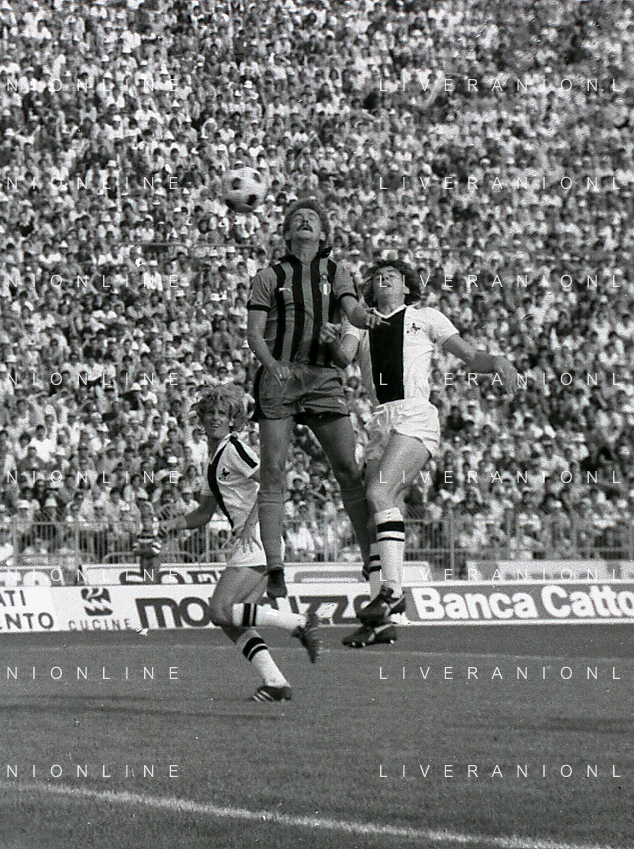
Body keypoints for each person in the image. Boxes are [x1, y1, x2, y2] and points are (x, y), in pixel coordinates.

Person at [327, 259, 518, 647]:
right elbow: (343, 357)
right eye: (379, 276)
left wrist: (497, 361)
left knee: (379, 493)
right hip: (379, 420)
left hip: (414, 413)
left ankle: (393, 592)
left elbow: (470, 356)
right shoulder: (359, 322)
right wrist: (328, 337)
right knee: (373, 521)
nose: (384, 278)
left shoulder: (425, 317)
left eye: (393, 275)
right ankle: (380, 623)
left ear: (406, 287)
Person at [246, 198, 384, 599]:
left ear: (323, 234)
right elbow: (254, 333)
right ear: (287, 233)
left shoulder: (337, 272)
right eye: (297, 218)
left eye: (312, 218)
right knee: (273, 470)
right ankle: (275, 567)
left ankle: (370, 557)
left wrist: (364, 318)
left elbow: (352, 310)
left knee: (347, 469)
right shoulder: (269, 276)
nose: (305, 220)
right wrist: (272, 364)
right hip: (281, 375)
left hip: (324, 377)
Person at [159, 385, 321, 702]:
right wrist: (173, 524)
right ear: (201, 419)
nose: (215, 418)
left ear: (233, 420)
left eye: (222, 414)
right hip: (252, 538)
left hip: (257, 536)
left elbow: (274, 481)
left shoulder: (234, 448)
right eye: (210, 413)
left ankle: (300, 623)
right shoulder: (213, 459)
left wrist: (249, 523)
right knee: (233, 620)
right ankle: (275, 682)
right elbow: (205, 512)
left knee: (219, 610)